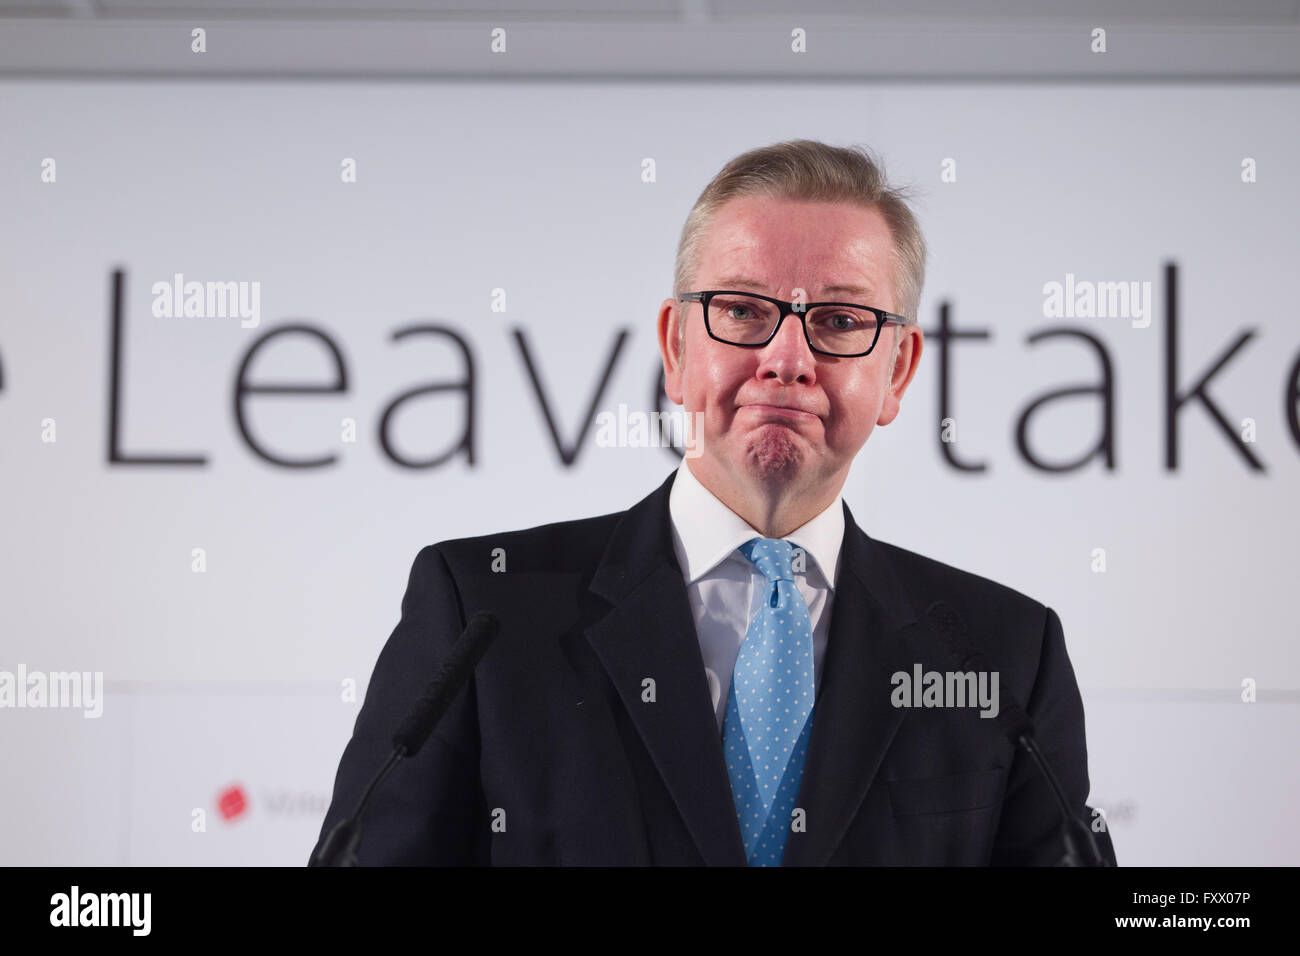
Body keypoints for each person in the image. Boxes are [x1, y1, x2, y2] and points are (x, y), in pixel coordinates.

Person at [312, 139, 1116, 866]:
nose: (786, 358)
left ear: (898, 372)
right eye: (742, 310)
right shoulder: (482, 613)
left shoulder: (1004, 655)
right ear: (674, 345)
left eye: (840, 320)